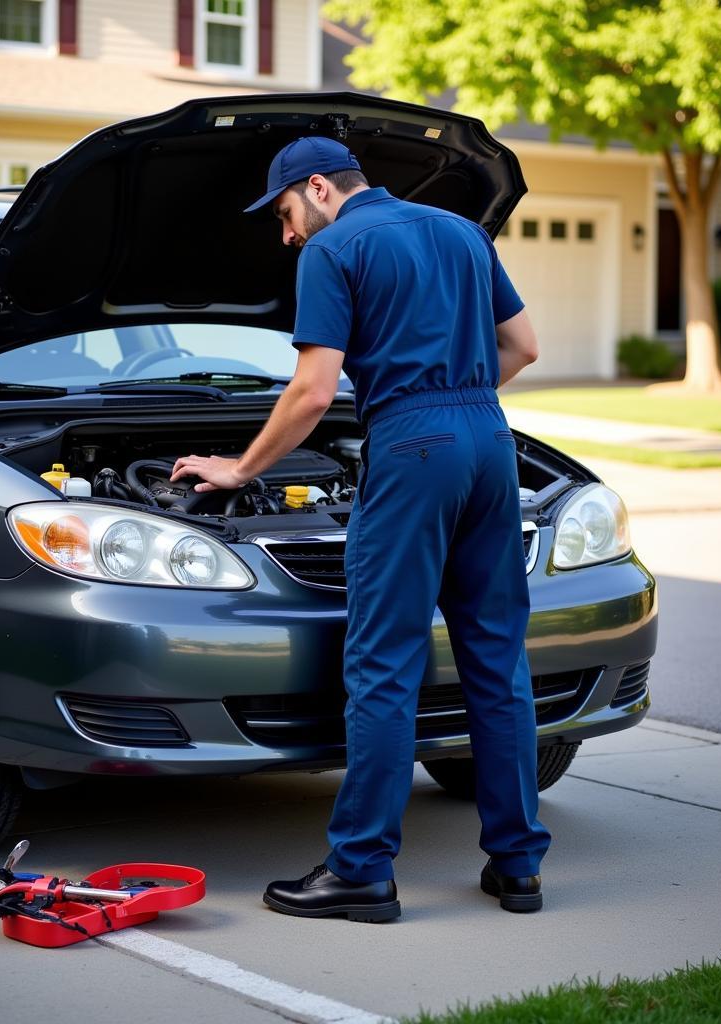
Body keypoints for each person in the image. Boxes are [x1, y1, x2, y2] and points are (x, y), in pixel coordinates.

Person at [169, 136, 550, 923]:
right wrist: (459, 395)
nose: (287, 236)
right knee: (497, 656)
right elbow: (524, 346)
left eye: (284, 215)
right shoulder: (462, 233)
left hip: (413, 448)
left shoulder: (335, 249)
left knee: (383, 663)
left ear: (317, 188)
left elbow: (312, 392)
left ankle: (361, 872)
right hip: (490, 438)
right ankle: (518, 868)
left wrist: (240, 469)